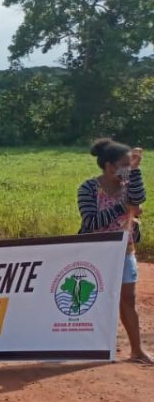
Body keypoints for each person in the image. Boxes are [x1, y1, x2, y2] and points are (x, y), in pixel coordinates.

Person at [77, 138, 151, 364]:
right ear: (109, 166)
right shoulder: (88, 188)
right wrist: (123, 207)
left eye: (130, 165)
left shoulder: (128, 184)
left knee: (128, 299)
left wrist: (136, 171)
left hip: (124, 250)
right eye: (125, 165)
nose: (128, 169)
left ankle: (136, 351)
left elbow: (139, 199)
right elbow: (91, 223)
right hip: (95, 253)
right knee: (91, 299)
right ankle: (85, 347)